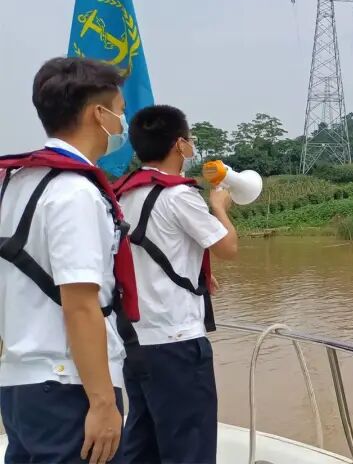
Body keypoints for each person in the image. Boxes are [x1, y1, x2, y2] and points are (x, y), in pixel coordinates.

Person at [0, 57, 141, 464]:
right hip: (67, 385)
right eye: (120, 110)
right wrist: (102, 403)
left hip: (20, 384)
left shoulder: (15, 183)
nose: (123, 122)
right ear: (99, 115)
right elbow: (80, 304)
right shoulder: (75, 193)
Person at [113, 104, 238, 464]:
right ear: (180, 145)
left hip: (134, 341)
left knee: (142, 444)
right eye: (189, 138)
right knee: (189, 448)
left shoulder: (122, 195)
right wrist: (220, 207)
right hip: (176, 342)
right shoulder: (179, 196)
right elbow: (227, 248)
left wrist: (198, 272)